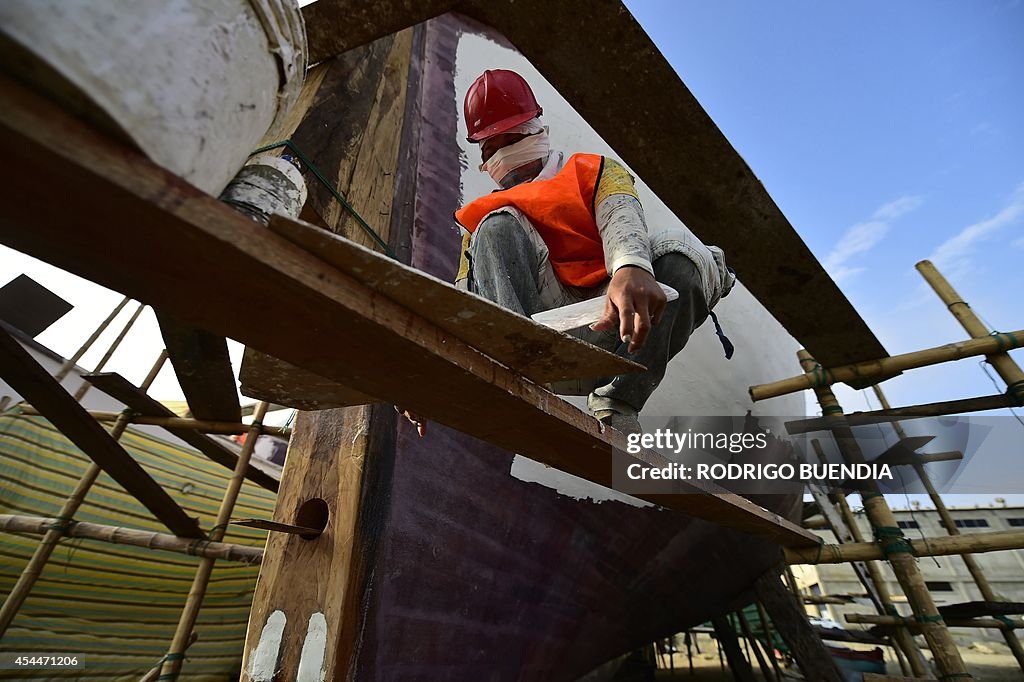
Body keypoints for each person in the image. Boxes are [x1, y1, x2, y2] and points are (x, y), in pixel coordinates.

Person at [403, 69, 735, 436]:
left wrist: (631, 267)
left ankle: (617, 403)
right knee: (497, 225)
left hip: (615, 326)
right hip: (532, 346)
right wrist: (435, 372)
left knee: (684, 254)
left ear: (533, 132)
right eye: (487, 150)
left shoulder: (590, 171)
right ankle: (515, 381)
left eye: (505, 141)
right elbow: (465, 305)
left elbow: (621, 217)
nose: (496, 158)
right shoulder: (486, 222)